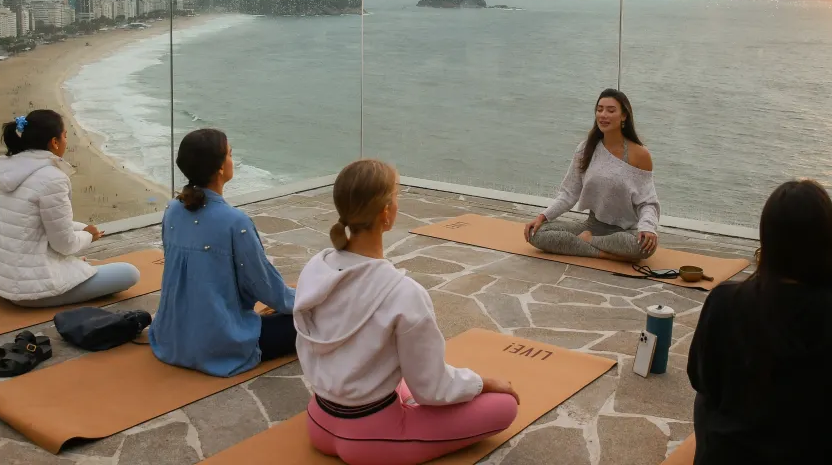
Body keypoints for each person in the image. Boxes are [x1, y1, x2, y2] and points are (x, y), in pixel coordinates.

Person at [294, 160, 519, 465]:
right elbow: (432, 389)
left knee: (402, 380)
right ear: (386, 214)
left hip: (319, 420)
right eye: (396, 196)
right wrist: (483, 382)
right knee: (504, 406)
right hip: (372, 438)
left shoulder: (315, 270)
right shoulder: (403, 292)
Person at [687, 180, 832, 465]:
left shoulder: (723, 301)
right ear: (829, 244)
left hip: (735, 455)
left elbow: (701, 379)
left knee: (705, 401)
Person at [149, 129, 296, 376]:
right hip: (220, 344)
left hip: (171, 337)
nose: (232, 159)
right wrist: (308, 302)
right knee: (311, 321)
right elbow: (268, 290)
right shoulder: (235, 222)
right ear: (219, 168)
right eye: (230, 154)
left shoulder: (172, 210)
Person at [0, 110, 140, 307]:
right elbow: (64, 245)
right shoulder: (52, 178)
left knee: (84, 265)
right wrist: (89, 236)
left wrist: (82, 228)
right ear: (54, 142)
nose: (65, 142)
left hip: (1, 280)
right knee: (129, 273)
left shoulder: (11, 172)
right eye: (64, 136)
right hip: (31, 291)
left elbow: (36, 221)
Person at [524, 88, 659, 261]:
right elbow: (569, 193)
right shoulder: (585, 149)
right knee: (537, 233)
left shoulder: (640, 154)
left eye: (611, 110)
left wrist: (647, 227)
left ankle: (588, 242)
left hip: (625, 232)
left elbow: (648, 203)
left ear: (624, 115)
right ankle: (608, 254)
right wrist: (542, 217)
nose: (603, 115)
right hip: (592, 225)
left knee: (644, 248)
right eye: (599, 109)